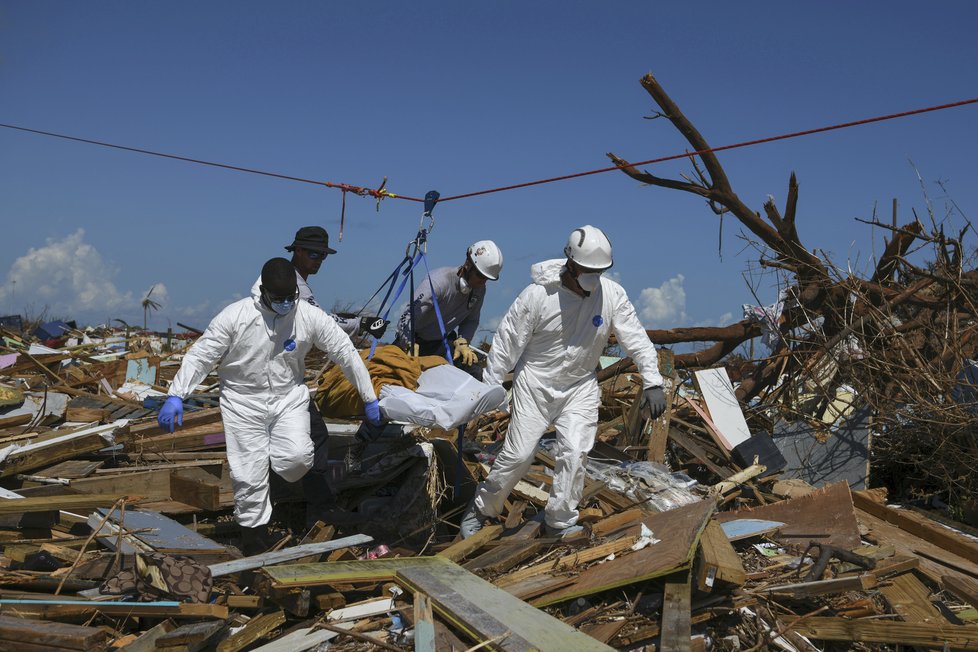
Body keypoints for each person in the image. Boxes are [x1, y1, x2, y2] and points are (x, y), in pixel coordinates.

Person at [158, 258, 382, 555]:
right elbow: (202, 355)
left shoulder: (308, 315)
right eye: (279, 299)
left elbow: (345, 352)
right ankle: (254, 538)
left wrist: (369, 397)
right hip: (242, 402)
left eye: (291, 297)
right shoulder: (235, 316)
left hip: (288, 398)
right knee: (248, 475)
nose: (286, 304)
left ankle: (274, 480)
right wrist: (177, 394)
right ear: (262, 291)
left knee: (298, 458)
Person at [460, 225, 667, 539]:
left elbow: (636, 339)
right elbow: (507, 343)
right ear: (570, 263)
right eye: (588, 270)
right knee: (518, 456)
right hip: (535, 385)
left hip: (579, 387)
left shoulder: (611, 295)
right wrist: (491, 387)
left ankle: (559, 522)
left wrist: (653, 381)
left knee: (574, 453)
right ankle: (481, 508)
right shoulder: (538, 295)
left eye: (600, 271)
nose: (594, 278)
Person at [249, 226, 387, 528]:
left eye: (322, 256)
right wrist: (362, 324)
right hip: (275, 381)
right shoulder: (290, 285)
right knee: (313, 436)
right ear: (296, 251)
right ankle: (317, 510)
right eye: (313, 254)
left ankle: (286, 509)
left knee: (294, 440)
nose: (318, 261)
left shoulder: (289, 281)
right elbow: (324, 322)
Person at [394, 240, 503, 379]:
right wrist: (407, 342)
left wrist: (463, 341)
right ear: (468, 265)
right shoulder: (438, 283)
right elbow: (408, 315)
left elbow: (471, 320)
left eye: (487, 278)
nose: (483, 282)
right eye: (481, 276)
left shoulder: (479, 290)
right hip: (412, 343)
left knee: (474, 372)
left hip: (440, 344)